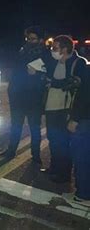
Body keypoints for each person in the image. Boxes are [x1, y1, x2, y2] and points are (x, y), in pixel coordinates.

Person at [0, 26, 48, 163]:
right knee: (15, 125)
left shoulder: (45, 54)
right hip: (18, 95)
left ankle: (36, 155)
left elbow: (48, 74)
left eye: (33, 39)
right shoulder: (22, 51)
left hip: (34, 97)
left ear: (40, 40)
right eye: (28, 38)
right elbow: (15, 70)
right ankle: (11, 151)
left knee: (34, 128)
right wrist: (11, 89)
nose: (30, 41)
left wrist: (37, 74)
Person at [42, 35, 86, 183]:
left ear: (65, 49)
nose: (52, 50)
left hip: (65, 108)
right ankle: (54, 167)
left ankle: (64, 173)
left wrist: (53, 83)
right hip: (51, 107)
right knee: (53, 139)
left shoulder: (78, 63)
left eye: (55, 48)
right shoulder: (54, 62)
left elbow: (76, 83)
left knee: (63, 141)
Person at [65, 62, 90, 206]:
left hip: (85, 120)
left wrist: (74, 119)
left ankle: (82, 194)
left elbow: (84, 97)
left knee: (82, 158)